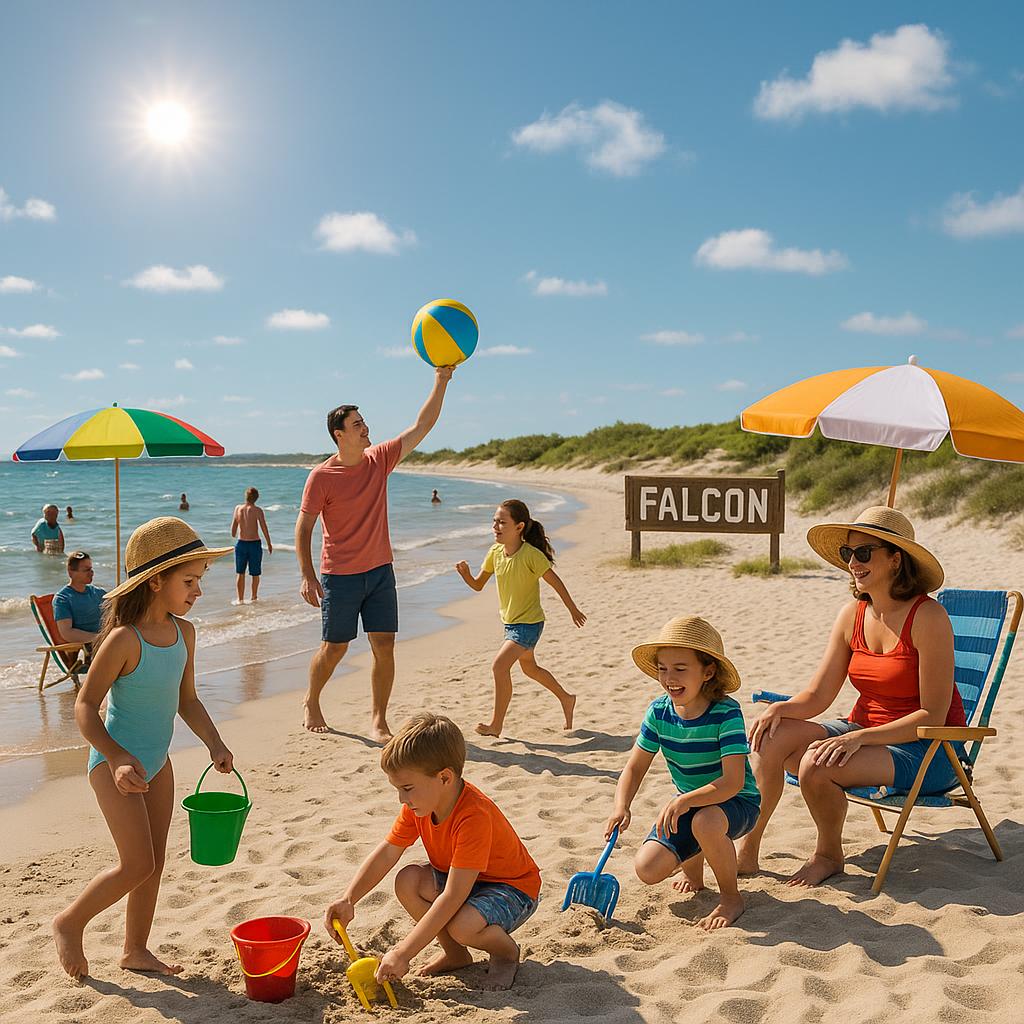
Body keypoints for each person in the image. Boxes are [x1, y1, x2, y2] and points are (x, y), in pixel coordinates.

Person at [738, 506, 961, 888]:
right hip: (866, 732)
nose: (853, 563)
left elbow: (932, 714)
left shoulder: (929, 618)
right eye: (848, 554)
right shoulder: (853, 614)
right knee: (771, 736)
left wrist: (858, 738)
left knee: (816, 764)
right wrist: (780, 708)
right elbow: (819, 694)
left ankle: (828, 855)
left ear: (895, 559)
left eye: (864, 553)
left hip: (930, 749)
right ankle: (747, 850)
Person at [52, 517, 234, 980]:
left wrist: (215, 743)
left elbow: (186, 700)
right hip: (114, 763)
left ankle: (135, 949)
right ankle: (70, 922)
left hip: (158, 762)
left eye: (199, 581)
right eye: (188, 581)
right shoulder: (123, 640)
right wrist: (114, 757)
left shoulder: (184, 634)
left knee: (154, 862)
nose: (197, 591)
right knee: (136, 863)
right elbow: (86, 707)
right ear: (156, 581)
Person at [323, 713, 540, 991]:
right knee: (408, 880)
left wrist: (403, 953)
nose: (402, 798)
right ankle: (456, 954)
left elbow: (452, 896)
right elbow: (389, 851)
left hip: (511, 888)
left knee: (463, 925)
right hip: (462, 880)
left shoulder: (473, 816)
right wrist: (348, 897)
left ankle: (506, 954)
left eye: (407, 788)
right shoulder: (419, 806)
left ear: (445, 778)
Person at [295, 365, 455, 740]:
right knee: (334, 648)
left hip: (381, 571)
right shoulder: (321, 477)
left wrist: (441, 381)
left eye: (364, 422)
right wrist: (306, 575)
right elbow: (304, 528)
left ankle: (379, 718)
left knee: (384, 645)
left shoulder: (379, 459)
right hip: (341, 576)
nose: (365, 428)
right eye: (357, 425)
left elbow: (421, 426)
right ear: (339, 435)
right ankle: (311, 699)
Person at [606, 616, 760, 930]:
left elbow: (732, 782)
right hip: (691, 803)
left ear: (708, 671)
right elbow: (634, 767)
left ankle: (731, 897)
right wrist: (621, 805)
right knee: (647, 869)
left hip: (737, 804)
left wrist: (685, 801)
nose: (669, 677)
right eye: (662, 668)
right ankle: (694, 872)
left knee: (705, 821)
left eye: (680, 668)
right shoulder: (659, 712)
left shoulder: (725, 712)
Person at [455, 499, 585, 737]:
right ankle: (567, 698)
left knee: (499, 666)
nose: (496, 526)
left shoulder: (531, 556)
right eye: (494, 521)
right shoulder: (495, 553)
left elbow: (556, 583)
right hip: (510, 623)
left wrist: (572, 609)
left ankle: (496, 725)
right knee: (530, 669)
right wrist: (465, 575)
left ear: (519, 527)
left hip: (529, 624)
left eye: (502, 522)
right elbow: (477, 585)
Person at [53, 552, 106, 658]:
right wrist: (99, 638)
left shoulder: (99, 593)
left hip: (105, 641)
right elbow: (67, 633)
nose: (91, 573)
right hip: (93, 646)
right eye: (86, 570)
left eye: (91, 569)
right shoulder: (62, 599)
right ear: (71, 572)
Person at [231, 486, 273, 602]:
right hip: (254, 544)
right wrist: (269, 543)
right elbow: (264, 528)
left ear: (246, 496)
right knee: (255, 573)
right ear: (256, 498)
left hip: (241, 544)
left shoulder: (238, 509)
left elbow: (233, 530)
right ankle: (254, 597)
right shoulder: (257, 510)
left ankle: (240, 599)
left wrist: (235, 533)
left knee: (240, 573)